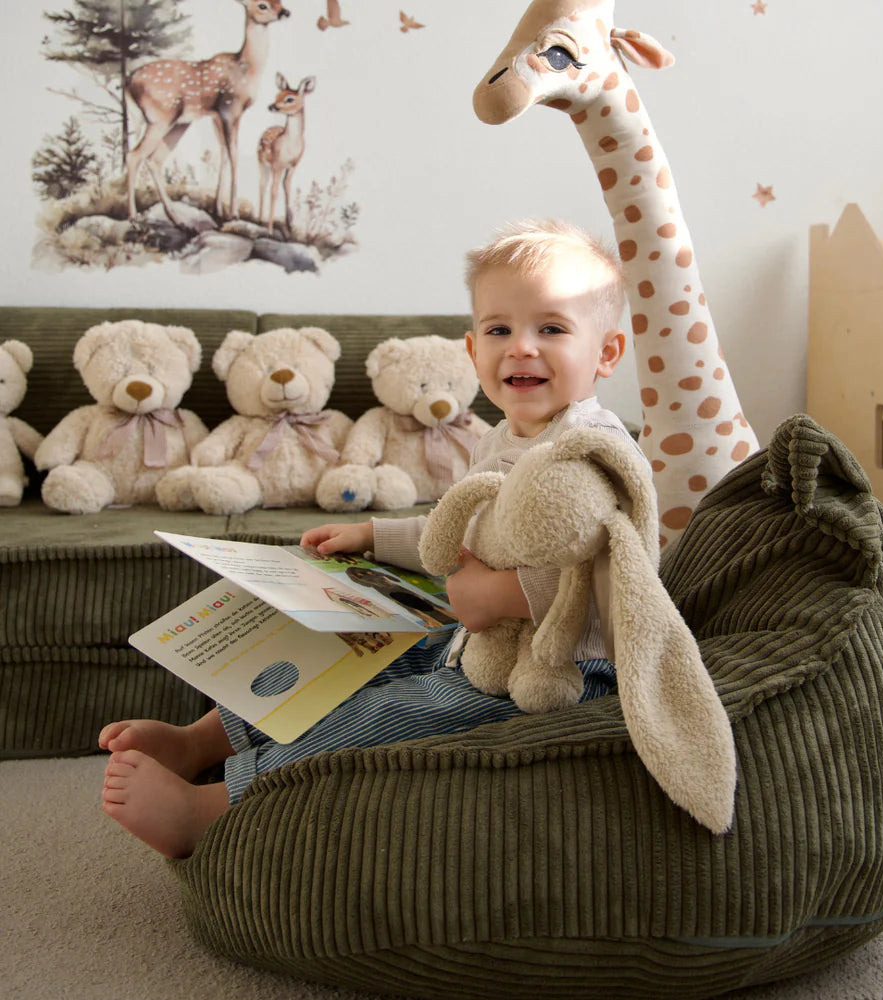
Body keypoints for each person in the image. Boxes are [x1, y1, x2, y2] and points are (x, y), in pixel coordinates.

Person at [99, 219, 652, 858]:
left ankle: (214, 808)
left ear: (607, 353)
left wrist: (499, 596)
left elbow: (620, 568)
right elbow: (459, 527)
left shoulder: (596, 449)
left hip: (559, 671)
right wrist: (372, 535)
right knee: (348, 654)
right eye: (500, 330)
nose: (521, 348)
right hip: (476, 641)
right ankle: (201, 740)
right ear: (473, 351)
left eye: (551, 329)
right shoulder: (501, 437)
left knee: (386, 714)